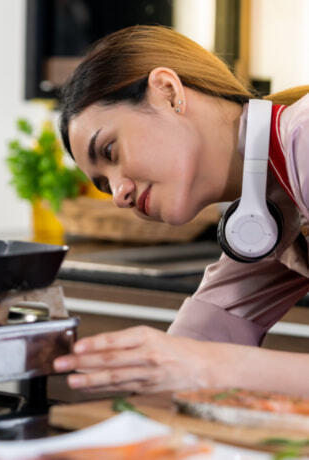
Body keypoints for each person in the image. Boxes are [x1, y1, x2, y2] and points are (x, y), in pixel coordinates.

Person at [52, 25, 309, 396]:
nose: (118, 196)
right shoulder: (267, 209)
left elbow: (201, 360)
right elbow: (198, 342)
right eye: (105, 184)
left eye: (110, 151)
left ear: (168, 93)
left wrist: (205, 365)